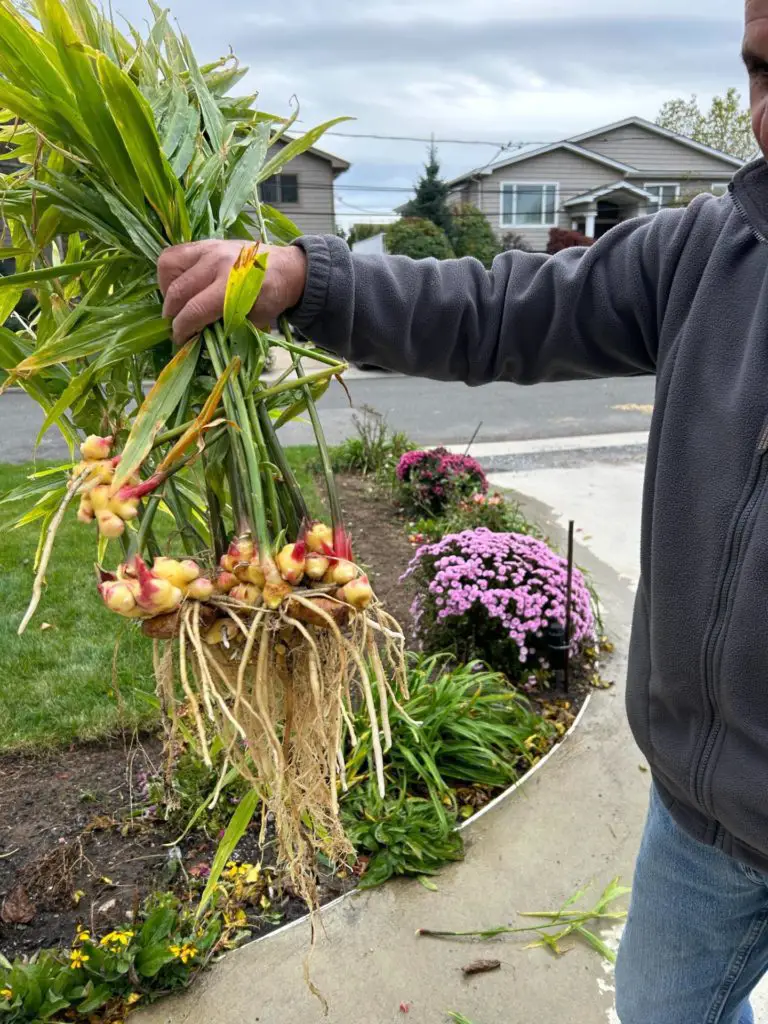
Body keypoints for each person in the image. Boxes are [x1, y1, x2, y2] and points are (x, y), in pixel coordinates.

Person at [157, 5, 768, 1019]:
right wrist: (307, 281)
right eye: (758, 71)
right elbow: (502, 309)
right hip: (699, 820)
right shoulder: (711, 250)